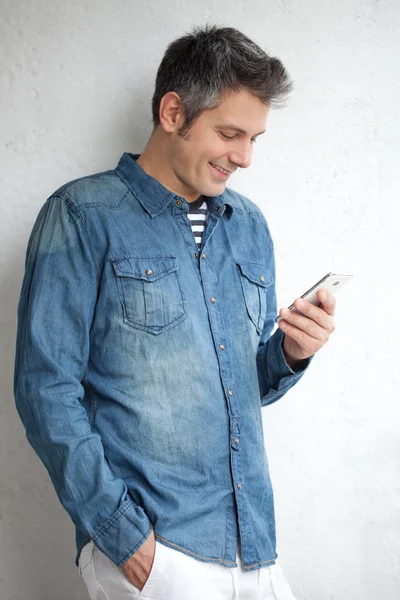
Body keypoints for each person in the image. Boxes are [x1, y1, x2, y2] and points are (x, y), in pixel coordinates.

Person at [14, 25, 336, 600]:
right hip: (158, 551)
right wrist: (124, 538)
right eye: (231, 133)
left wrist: (290, 353)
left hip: (255, 545)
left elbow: (239, 386)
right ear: (172, 112)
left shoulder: (250, 226)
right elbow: (46, 390)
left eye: (255, 138)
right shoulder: (81, 216)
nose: (245, 157)